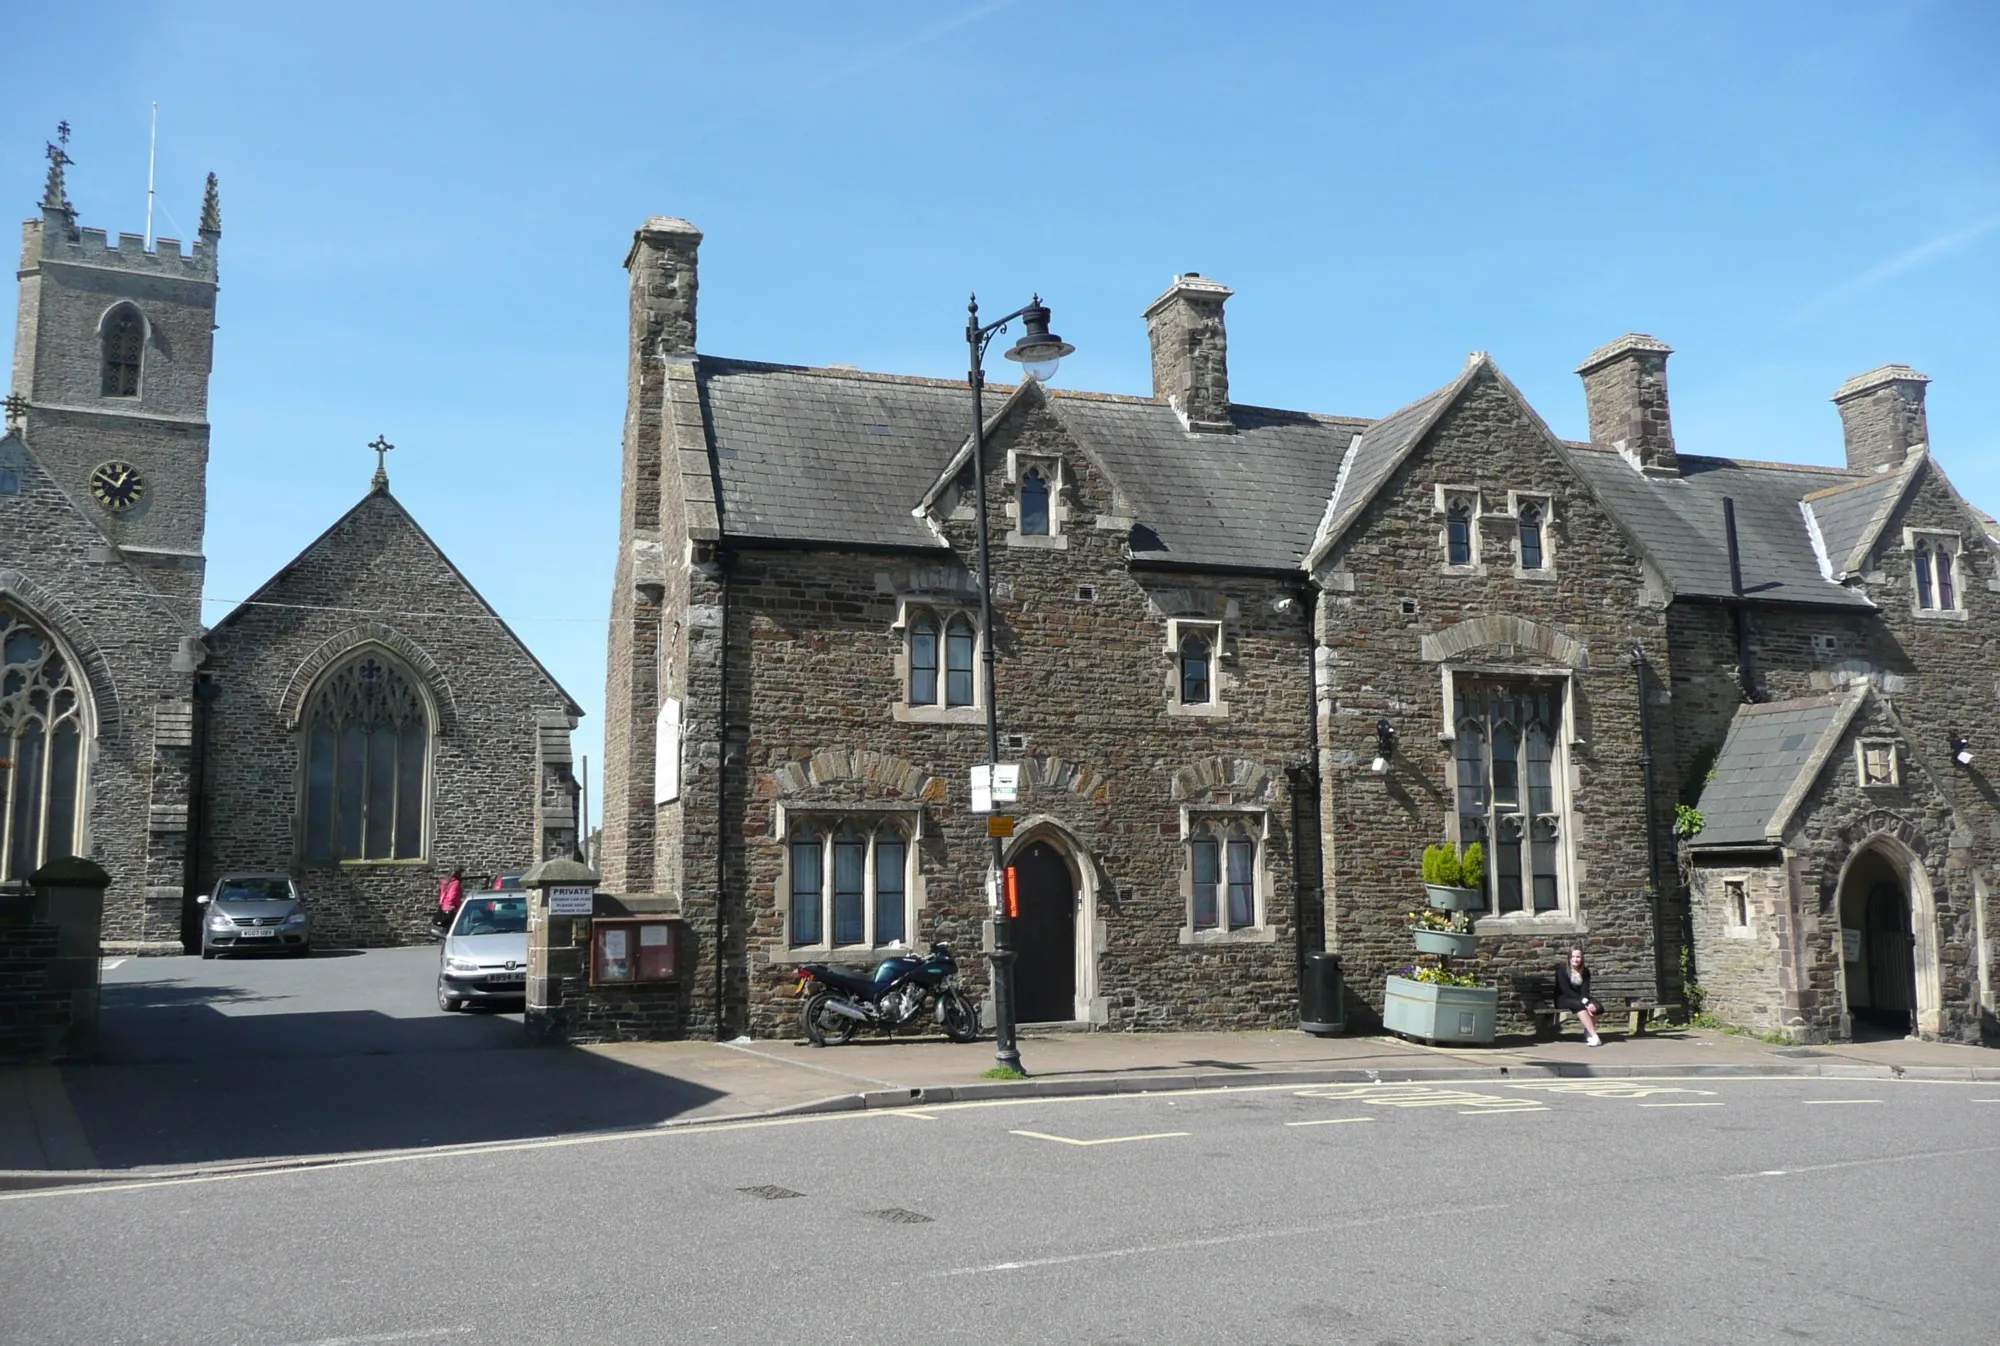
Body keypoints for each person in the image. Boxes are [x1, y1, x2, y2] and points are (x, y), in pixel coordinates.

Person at [1557, 946, 1603, 1046]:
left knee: (1598, 1008)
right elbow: (1566, 990)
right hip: (1563, 998)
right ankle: (1595, 1036)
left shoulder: (1585, 971)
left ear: (1582, 959)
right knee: (1579, 1005)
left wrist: (1588, 1003)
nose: (1575, 959)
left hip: (1580, 998)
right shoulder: (1562, 970)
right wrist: (1585, 1002)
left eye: (1578, 957)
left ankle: (1588, 1031)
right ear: (1569, 958)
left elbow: (1585, 991)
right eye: (1573, 956)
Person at [435, 867, 464, 934]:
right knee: (453, 927)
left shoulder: (445, 882)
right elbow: (452, 896)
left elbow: (442, 894)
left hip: (444, 906)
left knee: (446, 926)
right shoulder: (456, 883)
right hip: (452, 908)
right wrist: (456, 905)